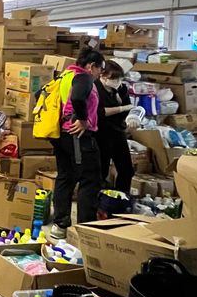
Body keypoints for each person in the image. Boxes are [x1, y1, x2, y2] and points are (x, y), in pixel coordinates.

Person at [49, 48, 105, 240]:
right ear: (91, 66)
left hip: (61, 134)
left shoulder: (65, 75)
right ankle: (85, 229)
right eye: (100, 69)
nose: (100, 74)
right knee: (90, 180)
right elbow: (78, 98)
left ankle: (60, 225)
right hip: (78, 135)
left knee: (65, 177)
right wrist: (82, 119)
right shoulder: (83, 77)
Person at [95, 62, 135, 194]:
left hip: (117, 132)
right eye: (114, 78)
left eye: (119, 78)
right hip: (100, 134)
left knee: (127, 170)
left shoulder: (121, 89)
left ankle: (121, 198)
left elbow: (129, 108)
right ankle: (99, 203)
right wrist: (120, 108)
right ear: (103, 75)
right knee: (101, 171)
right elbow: (98, 112)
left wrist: (133, 117)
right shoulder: (95, 88)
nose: (117, 82)